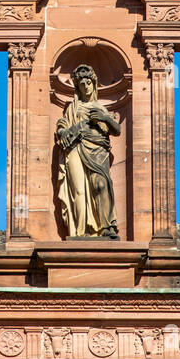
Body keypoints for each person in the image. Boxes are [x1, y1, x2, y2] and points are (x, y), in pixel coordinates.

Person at [55, 64, 120, 238]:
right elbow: (62, 126)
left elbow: (117, 130)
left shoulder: (100, 107)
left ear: (94, 84)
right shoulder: (72, 108)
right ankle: (80, 231)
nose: (86, 86)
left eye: (88, 82)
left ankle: (106, 227)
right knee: (79, 190)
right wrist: (65, 131)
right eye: (82, 83)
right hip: (77, 147)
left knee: (100, 185)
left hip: (98, 150)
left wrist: (105, 118)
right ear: (77, 87)